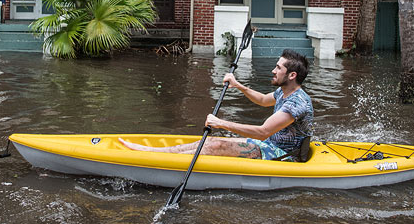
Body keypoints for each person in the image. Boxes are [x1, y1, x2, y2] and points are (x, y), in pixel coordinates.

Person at [120, 49, 313, 160]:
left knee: (216, 145)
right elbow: (263, 100)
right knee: (209, 141)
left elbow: (263, 132)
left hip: (284, 155)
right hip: (270, 145)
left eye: (278, 68)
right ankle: (153, 153)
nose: (273, 70)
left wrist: (221, 123)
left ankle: (157, 158)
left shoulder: (297, 103)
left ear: (292, 75)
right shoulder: (285, 91)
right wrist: (238, 86)